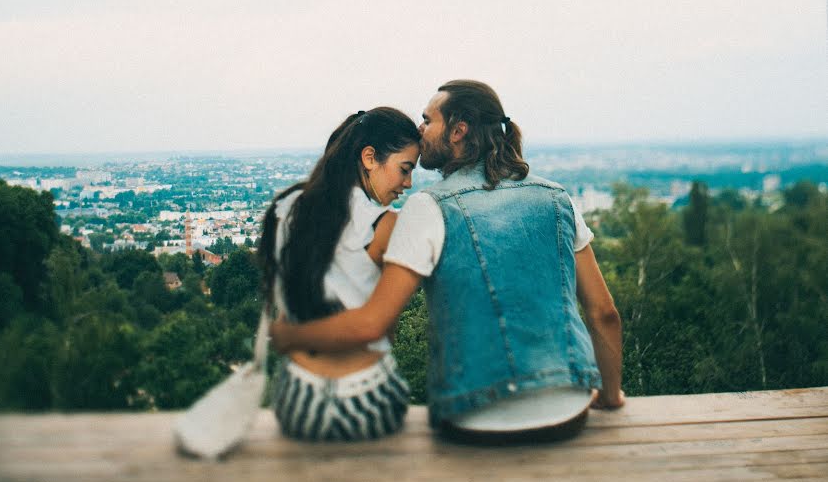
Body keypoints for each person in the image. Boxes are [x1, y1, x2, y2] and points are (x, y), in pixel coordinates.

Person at [270, 80, 624, 443]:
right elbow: (603, 312)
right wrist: (610, 398)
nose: (420, 129)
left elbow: (375, 322)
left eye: (427, 120)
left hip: (473, 418)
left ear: (458, 131)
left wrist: (286, 335)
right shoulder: (557, 198)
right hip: (568, 412)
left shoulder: (428, 207)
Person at [257, 107, 421, 441]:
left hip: (296, 400)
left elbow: (287, 313)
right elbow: (380, 333)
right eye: (405, 169)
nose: (408, 183)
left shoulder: (287, 210)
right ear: (369, 157)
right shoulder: (384, 226)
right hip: (367, 398)